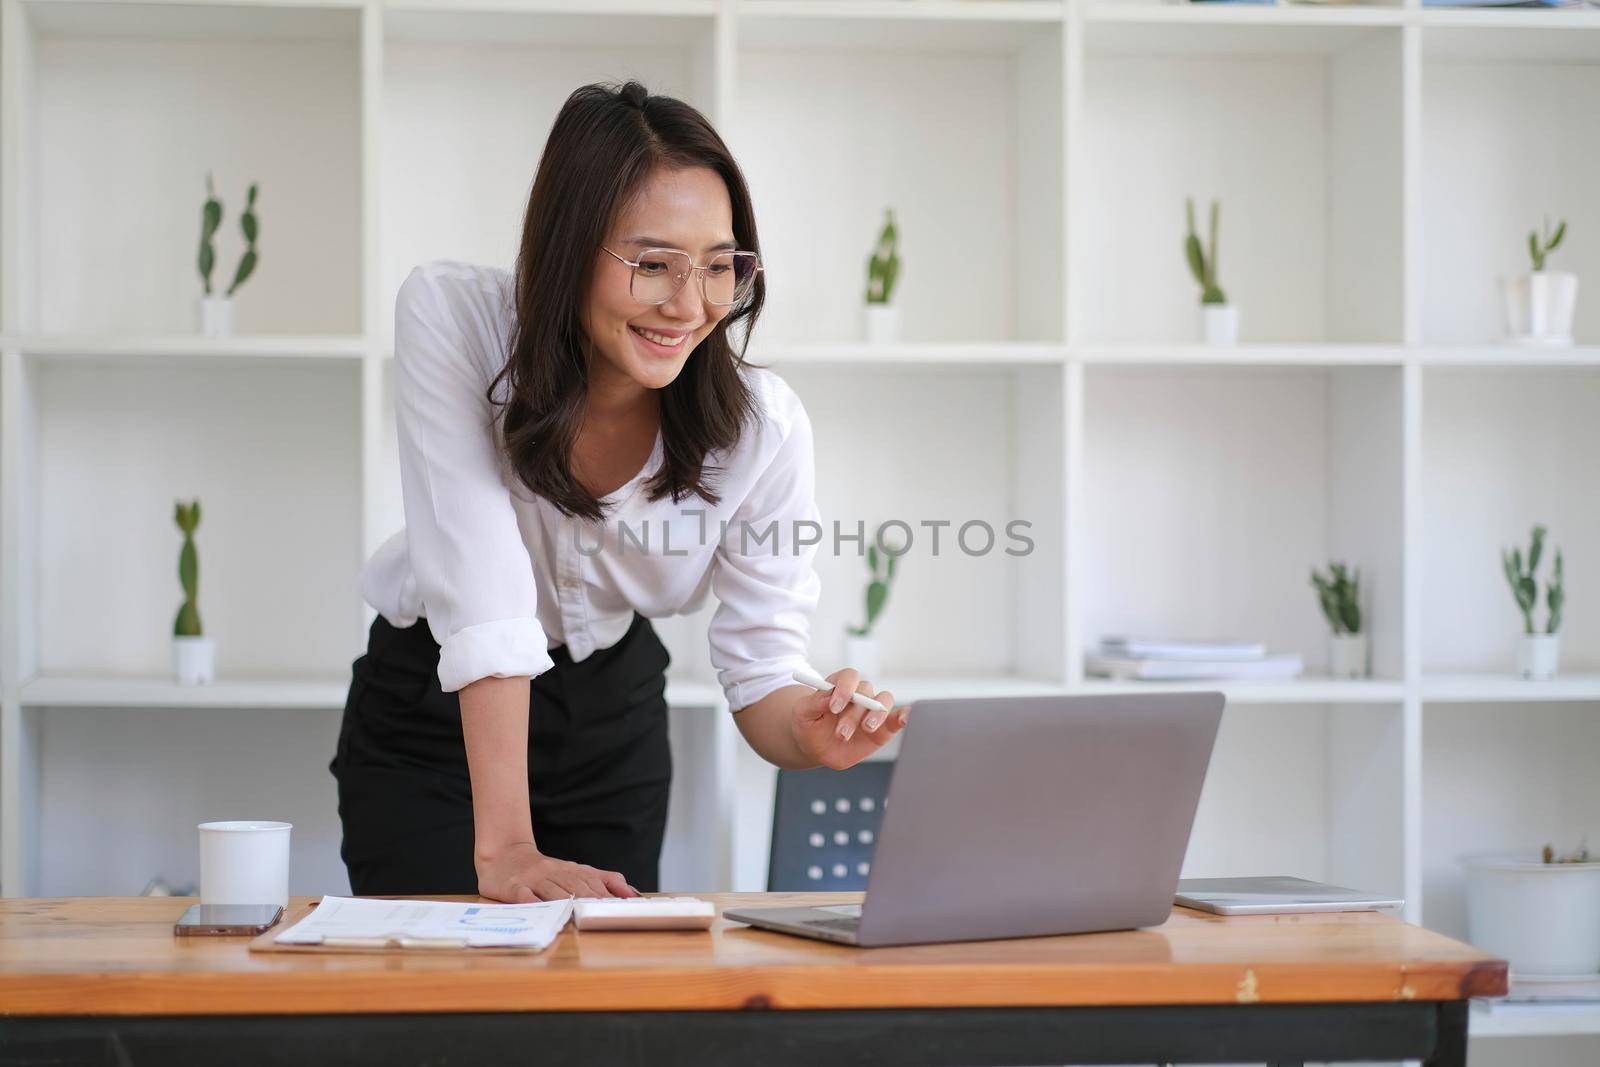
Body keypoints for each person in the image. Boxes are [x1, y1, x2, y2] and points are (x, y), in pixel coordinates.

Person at [329, 79, 909, 904]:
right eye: (652, 264)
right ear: (570, 243)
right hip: (434, 712)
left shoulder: (762, 427)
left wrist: (809, 729)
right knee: (445, 1007)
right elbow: (486, 592)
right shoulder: (455, 320)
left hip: (613, 717)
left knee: (602, 1012)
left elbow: (762, 663)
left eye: (719, 266)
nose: (690, 304)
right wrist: (507, 848)